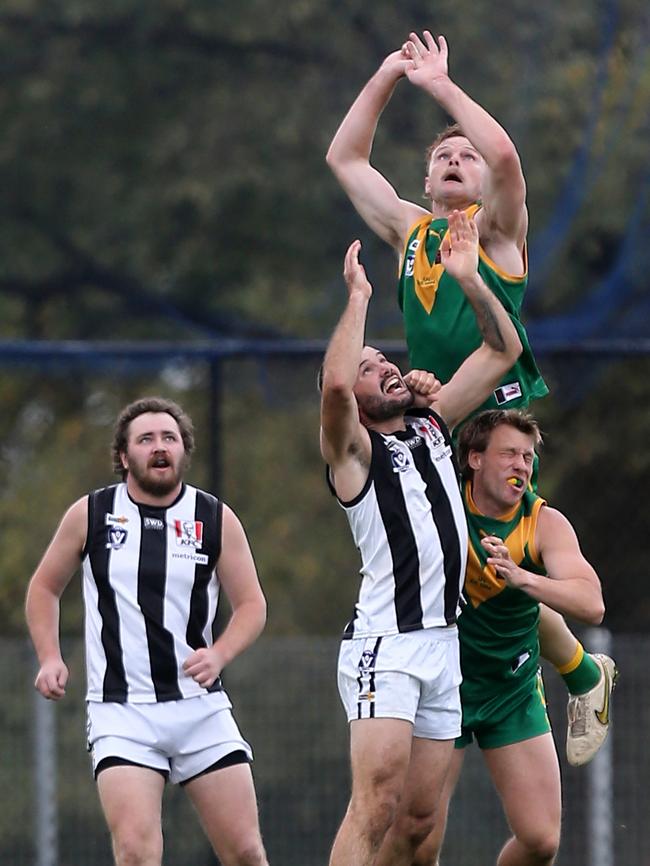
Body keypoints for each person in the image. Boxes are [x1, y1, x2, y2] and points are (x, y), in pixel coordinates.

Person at [327, 27, 615, 766]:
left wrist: (440, 85)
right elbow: (346, 158)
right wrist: (390, 74)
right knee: (460, 566)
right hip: (436, 424)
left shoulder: (498, 234)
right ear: (425, 183)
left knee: (496, 557)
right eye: (442, 157)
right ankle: (558, 676)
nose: (457, 161)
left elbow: (511, 157)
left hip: (500, 417)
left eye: (467, 157)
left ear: (484, 185)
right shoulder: (409, 232)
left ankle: (580, 676)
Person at [320, 209, 523, 866]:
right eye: (370, 364)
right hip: (389, 644)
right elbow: (333, 385)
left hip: (443, 643)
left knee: (419, 822)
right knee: (374, 805)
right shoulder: (354, 453)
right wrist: (359, 301)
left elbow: (503, 350)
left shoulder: (433, 425)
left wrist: (468, 277)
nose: (385, 367)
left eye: (387, 360)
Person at [25, 397, 269, 866]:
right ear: (124, 456)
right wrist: (50, 656)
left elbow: (252, 605)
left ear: (183, 450)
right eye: (146, 439)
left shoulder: (215, 517)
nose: (160, 448)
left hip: (200, 710)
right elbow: (44, 589)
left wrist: (218, 655)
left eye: (169, 438)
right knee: (137, 853)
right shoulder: (92, 514)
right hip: (123, 712)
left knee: (245, 852)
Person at [411, 409, 611, 866]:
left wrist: (523, 579)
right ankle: (581, 670)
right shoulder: (441, 501)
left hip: (511, 690)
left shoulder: (542, 522)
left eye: (527, 457)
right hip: (443, 691)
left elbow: (592, 603)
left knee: (541, 841)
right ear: (475, 459)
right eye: (509, 454)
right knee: (419, 844)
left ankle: (584, 673)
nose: (521, 465)